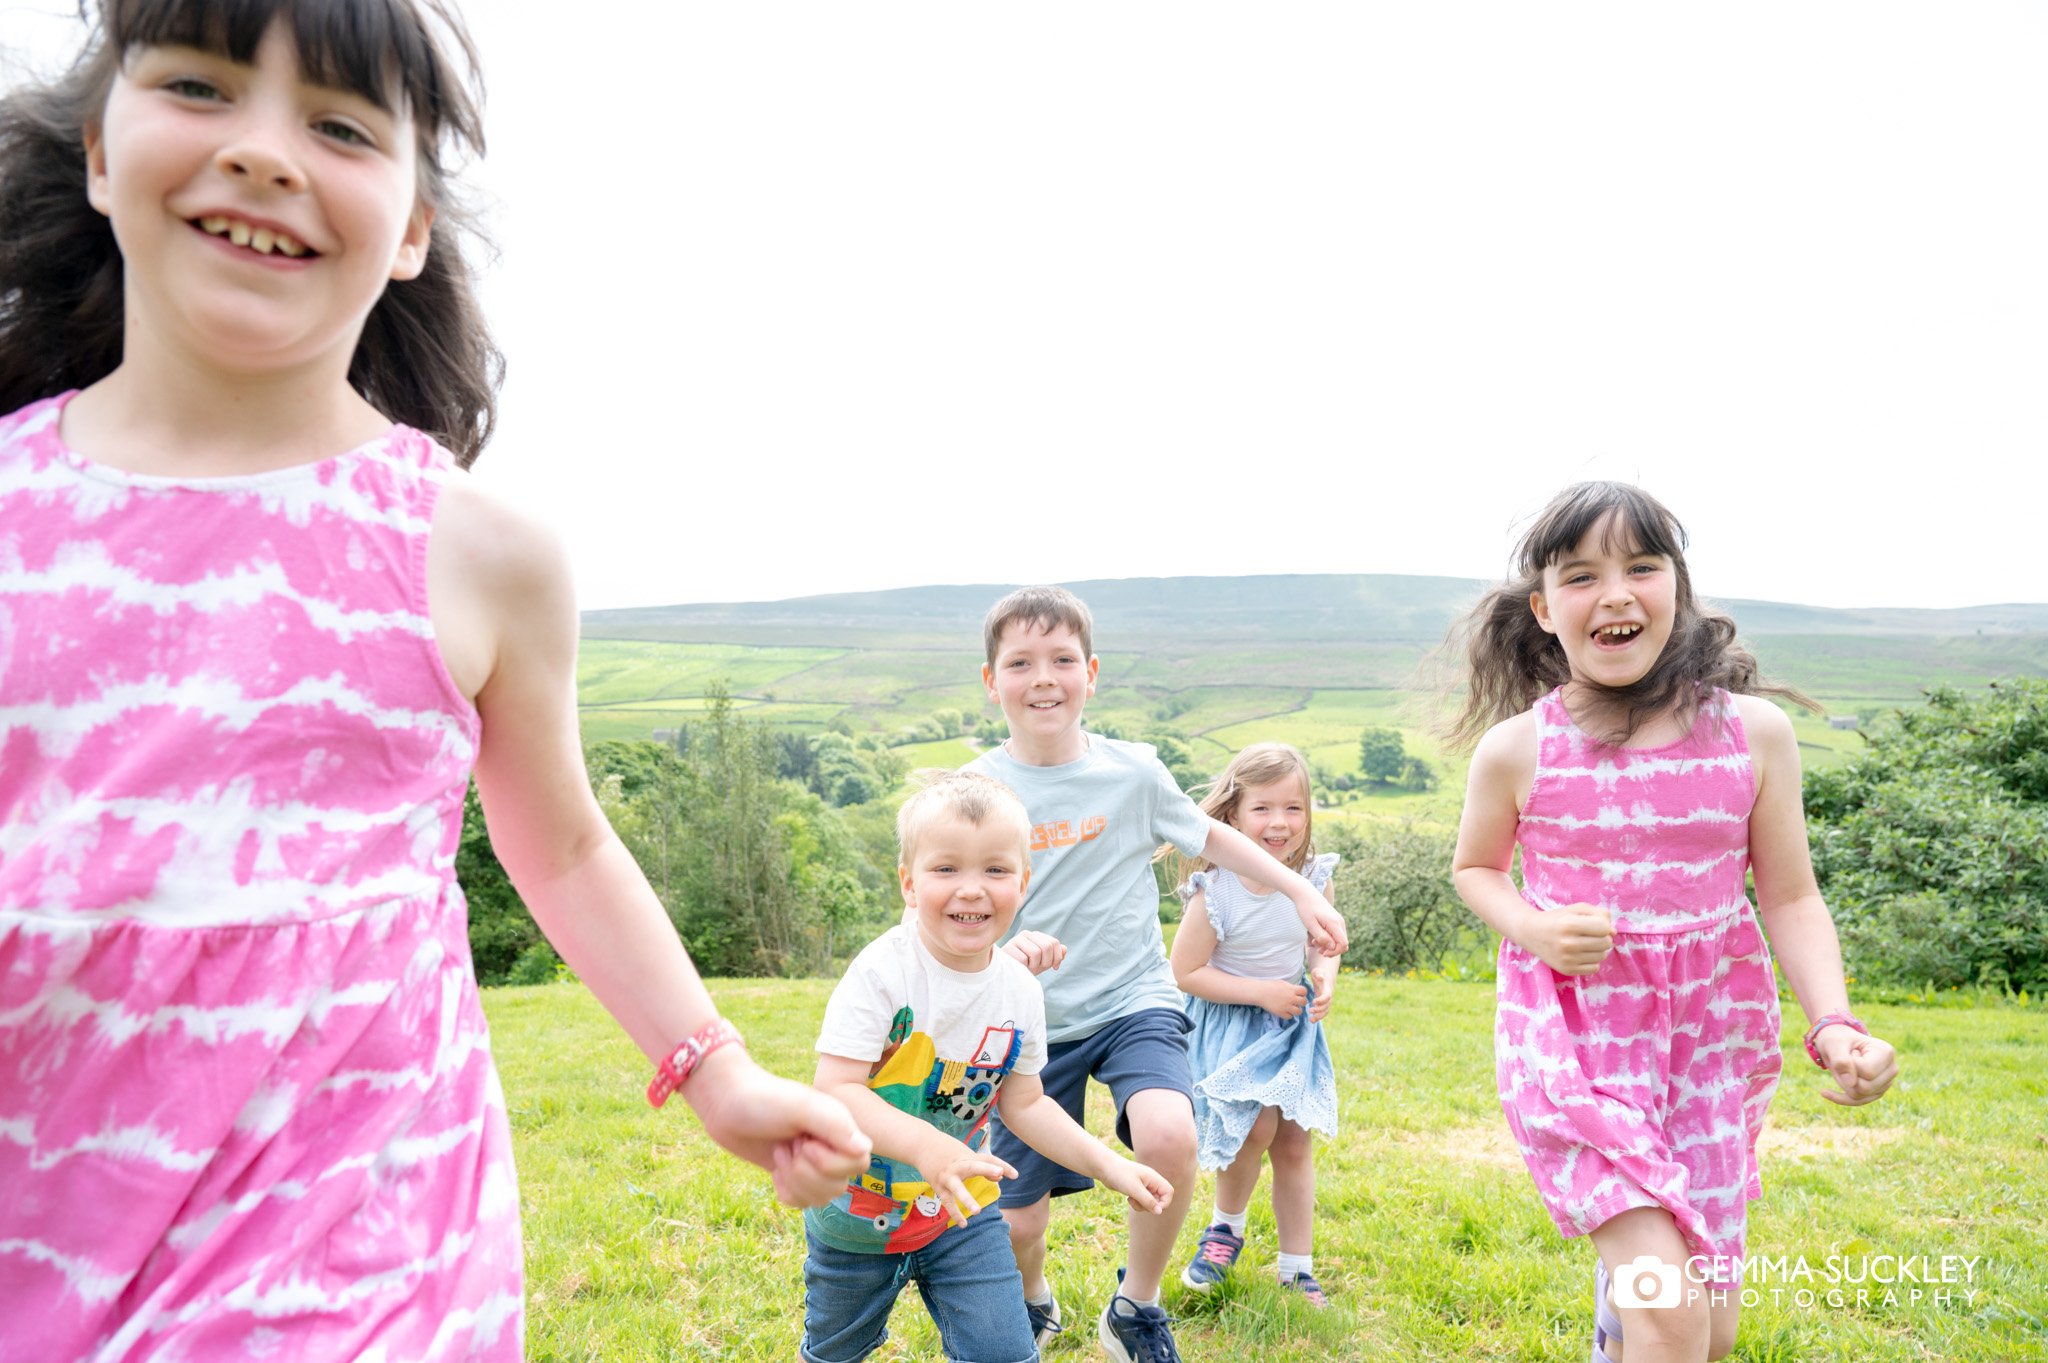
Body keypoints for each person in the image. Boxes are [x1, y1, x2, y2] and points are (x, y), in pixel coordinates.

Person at [0, 2, 869, 1357]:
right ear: (100, 153)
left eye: (341, 125)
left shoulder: (479, 553)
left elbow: (564, 839)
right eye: (200, 86)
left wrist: (719, 1068)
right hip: (42, 1224)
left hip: (363, 1246)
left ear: (411, 228)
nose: (268, 153)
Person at [1446, 482, 1899, 1363]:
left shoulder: (1754, 736)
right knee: (1674, 1309)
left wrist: (1835, 1021)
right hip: (1577, 1045)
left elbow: (1792, 897)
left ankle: (1621, 1324)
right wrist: (1533, 928)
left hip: (1709, 1050)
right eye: (1582, 576)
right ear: (1544, 610)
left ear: (1677, 593)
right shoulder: (1518, 748)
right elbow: (1476, 870)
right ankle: (1638, 1310)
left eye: (1641, 567)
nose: (1615, 592)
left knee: (1709, 1327)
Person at [964, 585, 1350, 1363]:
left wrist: (1303, 888)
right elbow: (944, 904)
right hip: (1023, 1017)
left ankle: (1135, 1306)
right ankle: (1036, 1298)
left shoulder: (1133, 773)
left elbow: (1211, 834)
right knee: (1018, 1222)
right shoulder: (974, 792)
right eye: (1022, 661)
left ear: (1092, 672)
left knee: (1170, 1133)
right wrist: (993, 954)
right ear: (991, 679)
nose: (1045, 676)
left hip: (1133, 998)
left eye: (1063, 659)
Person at [803, 771, 1173, 1363]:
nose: (971, 890)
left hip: (963, 1217)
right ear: (908, 883)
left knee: (1005, 1353)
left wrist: (1110, 1165)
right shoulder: (881, 973)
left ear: (1023, 884)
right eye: (946, 869)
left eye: (995, 871)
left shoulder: (1019, 992)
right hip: (854, 1217)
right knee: (835, 1351)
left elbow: (1025, 1103)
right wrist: (929, 1147)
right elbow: (837, 1089)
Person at [1166, 742, 1340, 1308]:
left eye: (1293, 808)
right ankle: (1225, 1230)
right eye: (1263, 808)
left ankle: (1297, 1268)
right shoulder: (1217, 890)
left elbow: (1324, 945)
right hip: (1230, 1027)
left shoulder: (1314, 877)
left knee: (1292, 1144)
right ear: (1233, 816)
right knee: (1253, 1131)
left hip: (1289, 1027)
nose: (1280, 823)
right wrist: (1259, 993)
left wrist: (1325, 975)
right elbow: (1186, 972)